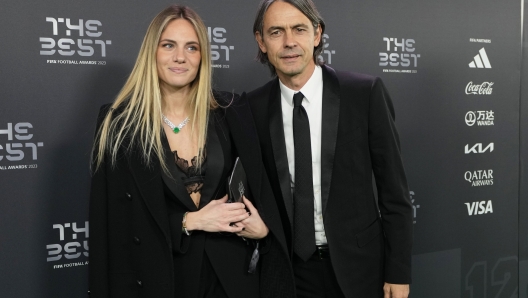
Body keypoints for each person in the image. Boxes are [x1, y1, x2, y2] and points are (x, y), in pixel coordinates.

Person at [89, 5, 294, 298]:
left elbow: (266, 189)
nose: (180, 57)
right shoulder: (119, 124)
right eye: (168, 45)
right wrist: (190, 221)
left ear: (202, 57)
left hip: (231, 280)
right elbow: (115, 224)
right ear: (152, 52)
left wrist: (264, 229)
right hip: (162, 278)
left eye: (192, 47)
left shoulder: (231, 111)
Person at [244, 0, 413, 297]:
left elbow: (394, 193)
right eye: (276, 32)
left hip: (358, 269)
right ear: (261, 41)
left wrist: (397, 273)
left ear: (317, 34)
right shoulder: (253, 107)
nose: (289, 42)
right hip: (286, 271)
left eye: (299, 29)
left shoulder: (364, 94)